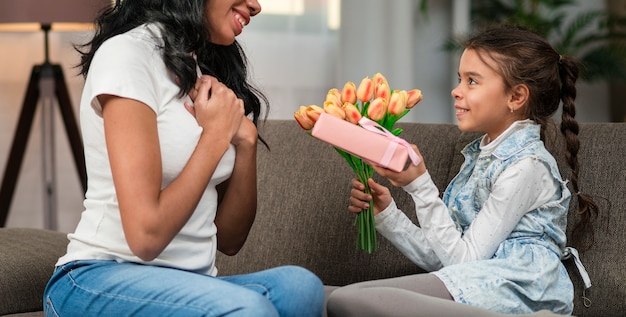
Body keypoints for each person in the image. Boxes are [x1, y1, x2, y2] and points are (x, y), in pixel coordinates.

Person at [43, 0, 325, 316]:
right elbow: (145, 237)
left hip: (186, 283)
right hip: (97, 277)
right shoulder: (127, 55)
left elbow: (230, 241)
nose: (256, 6)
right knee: (251, 310)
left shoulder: (198, 72)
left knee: (301, 288)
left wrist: (245, 143)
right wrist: (215, 137)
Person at [326, 25, 598, 317]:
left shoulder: (526, 167)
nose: (456, 91)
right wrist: (388, 216)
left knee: (347, 301)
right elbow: (445, 257)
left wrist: (420, 185)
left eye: (472, 81)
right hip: (478, 282)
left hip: (521, 294)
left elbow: (462, 262)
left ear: (516, 97)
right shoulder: (480, 158)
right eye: (460, 79)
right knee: (329, 297)